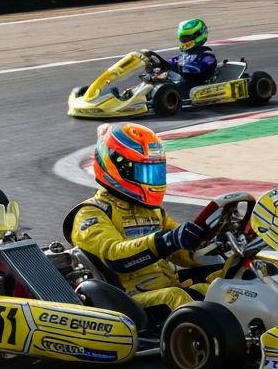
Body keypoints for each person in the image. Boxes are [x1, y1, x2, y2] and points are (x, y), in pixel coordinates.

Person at [65, 122, 211, 319]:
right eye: (144, 173)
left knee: (220, 285)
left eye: (155, 172)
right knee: (175, 297)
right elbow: (115, 257)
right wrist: (163, 241)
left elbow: (182, 253)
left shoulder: (151, 211)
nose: (152, 180)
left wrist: (208, 242)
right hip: (127, 301)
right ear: (117, 167)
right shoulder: (91, 213)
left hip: (166, 286)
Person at [166, 17, 218, 83]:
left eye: (187, 39)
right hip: (181, 84)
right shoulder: (184, 55)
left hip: (200, 85)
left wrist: (180, 65)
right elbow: (171, 62)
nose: (184, 41)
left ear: (198, 35)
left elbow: (198, 69)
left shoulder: (207, 55)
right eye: (182, 39)